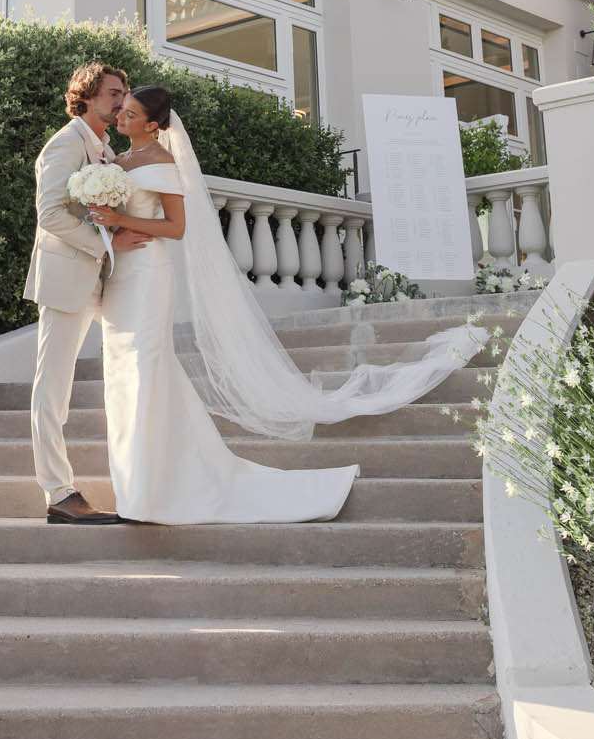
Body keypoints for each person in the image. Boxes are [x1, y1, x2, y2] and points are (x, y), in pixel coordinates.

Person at [85, 84, 487, 525]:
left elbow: (176, 227)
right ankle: (136, 481)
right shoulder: (116, 161)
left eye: (131, 111)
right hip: (120, 280)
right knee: (124, 376)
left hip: (147, 276)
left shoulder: (161, 162)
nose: (121, 114)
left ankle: (154, 487)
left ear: (154, 125)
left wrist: (121, 219)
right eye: (122, 108)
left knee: (146, 370)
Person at [23, 61, 147, 525]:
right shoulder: (64, 143)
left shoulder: (104, 150)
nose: (121, 101)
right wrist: (105, 244)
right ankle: (58, 492)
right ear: (88, 95)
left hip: (101, 281)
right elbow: (50, 215)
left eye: (124, 93)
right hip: (67, 279)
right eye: (114, 92)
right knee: (52, 388)